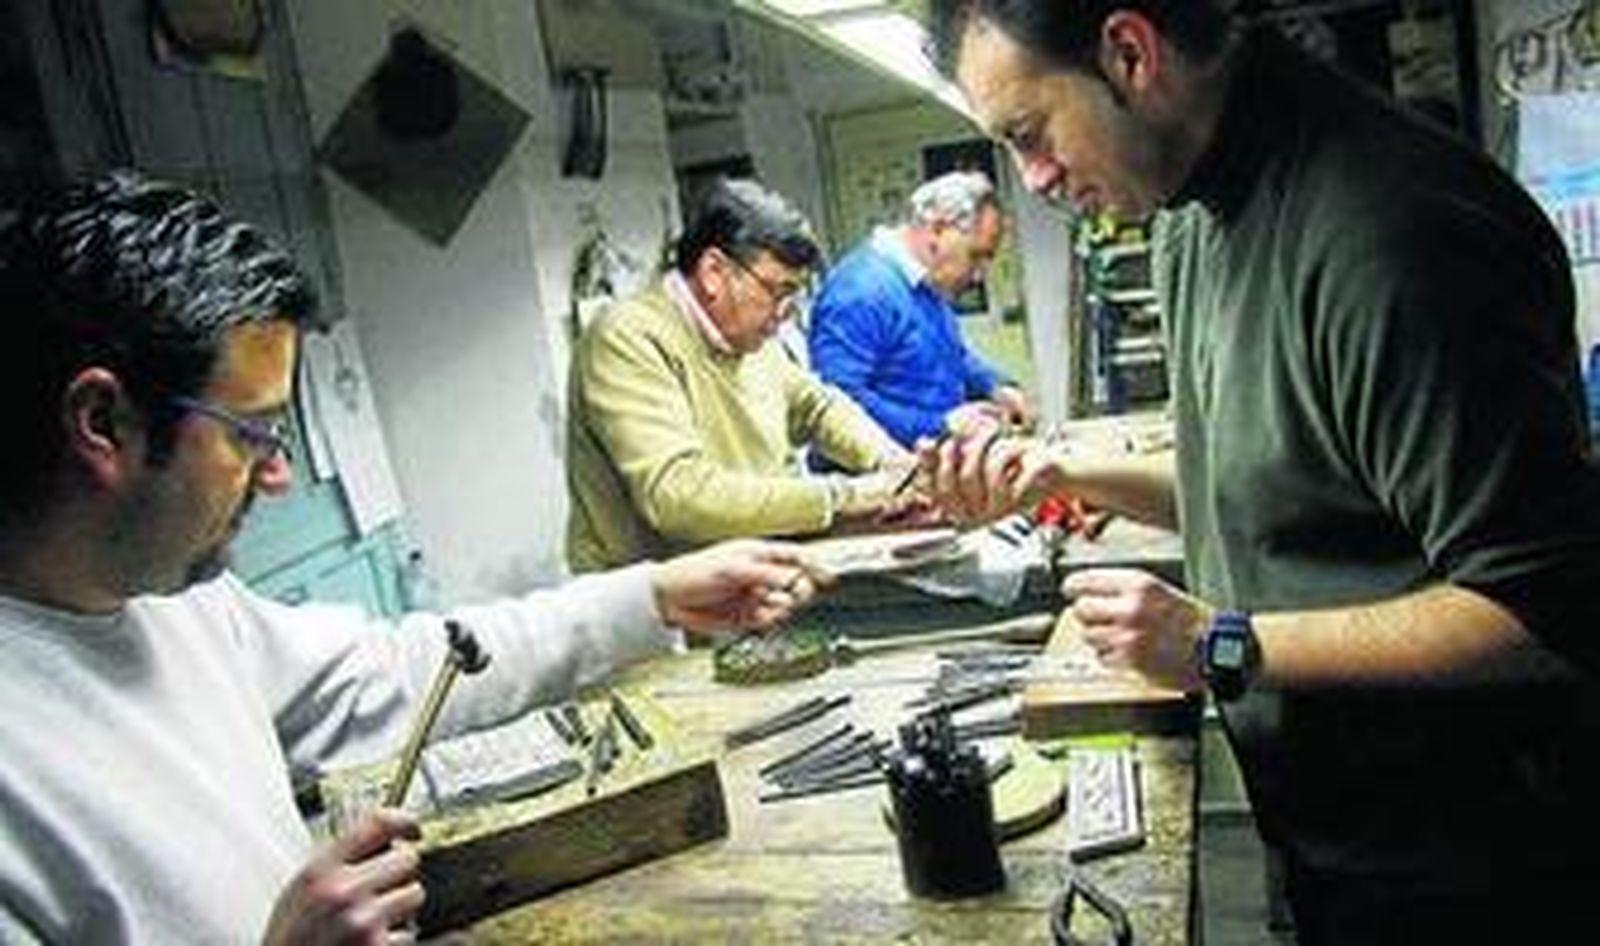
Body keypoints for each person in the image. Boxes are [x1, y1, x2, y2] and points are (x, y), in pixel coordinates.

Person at [0, 169, 823, 944]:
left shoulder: (184, 603)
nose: (279, 475)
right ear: (103, 423)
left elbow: (412, 668)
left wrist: (653, 596)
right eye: (253, 433)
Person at [922, 1, 1600, 941]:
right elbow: (1276, 477)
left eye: (1030, 135)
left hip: (1472, 870)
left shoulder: (1393, 232)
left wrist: (1220, 647)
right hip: (1333, 836)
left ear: (1129, 52)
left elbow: (1544, 610)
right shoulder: (1188, 213)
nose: (1033, 179)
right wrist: (1059, 469)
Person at [567, 178, 920, 573]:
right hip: (657, 608)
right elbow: (677, 495)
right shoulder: (627, 339)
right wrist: (844, 496)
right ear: (715, 272)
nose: (786, 311)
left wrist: (890, 462)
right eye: (779, 291)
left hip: (745, 578)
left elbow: (816, 406)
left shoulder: (747, 336)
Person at [808, 170, 1033, 447]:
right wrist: (941, 425)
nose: (979, 275)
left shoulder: (927, 284)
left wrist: (995, 386)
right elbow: (836, 407)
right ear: (937, 229)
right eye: (976, 256)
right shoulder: (858, 290)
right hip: (878, 481)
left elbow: (953, 356)